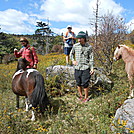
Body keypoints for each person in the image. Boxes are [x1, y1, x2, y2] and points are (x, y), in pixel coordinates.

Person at [70, 31, 94, 102]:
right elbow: (71, 54)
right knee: (78, 82)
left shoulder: (89, 47)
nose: (79, 40)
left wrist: (92, 68)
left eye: (80, 38)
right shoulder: (75, 46)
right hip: (77, 67)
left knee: (85, 83)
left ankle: (86, 98)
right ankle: (81, 96)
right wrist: (73, 60)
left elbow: (91, 58)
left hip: (86, 67)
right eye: (78, 38)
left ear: (84, 38)